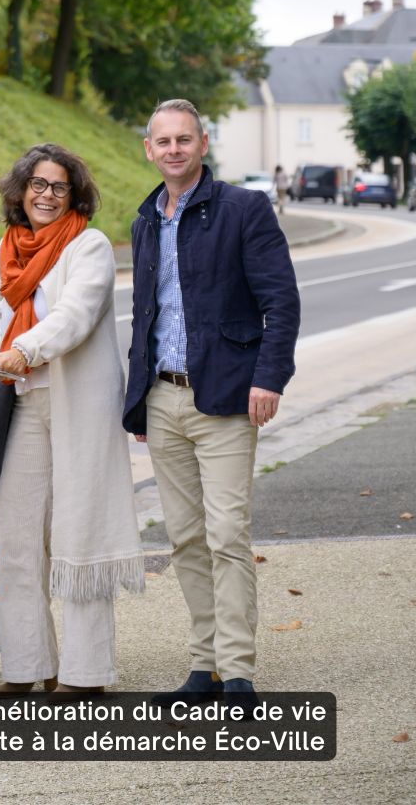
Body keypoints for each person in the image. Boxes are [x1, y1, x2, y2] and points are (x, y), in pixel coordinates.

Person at [124, 99, 300, 708]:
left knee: (227, 533)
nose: (173, 149)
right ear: (149, 149)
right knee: (184, 540)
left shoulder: (244, 210)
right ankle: (205, 665)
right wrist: (137, 400)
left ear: (203, 143)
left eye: (184, 139)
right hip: (162, 399)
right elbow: (145, 316)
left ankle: (239, 669)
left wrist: (269, 378)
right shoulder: (146, 218)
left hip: (225, 398)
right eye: (162, 141)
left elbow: (282, 301)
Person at [0, 143, 141, 697]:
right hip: (22, 400)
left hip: (78, 406)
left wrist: (26, 348)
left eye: (59, 187)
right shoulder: (6, 250)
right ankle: (28, 668)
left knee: (79, 534)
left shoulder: (88, 246)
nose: (46, 195)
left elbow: (76, 313)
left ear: (74, 194)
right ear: (21, 190)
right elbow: (3, 322)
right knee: (19, 540)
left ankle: (86, 676)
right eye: (38, 185)